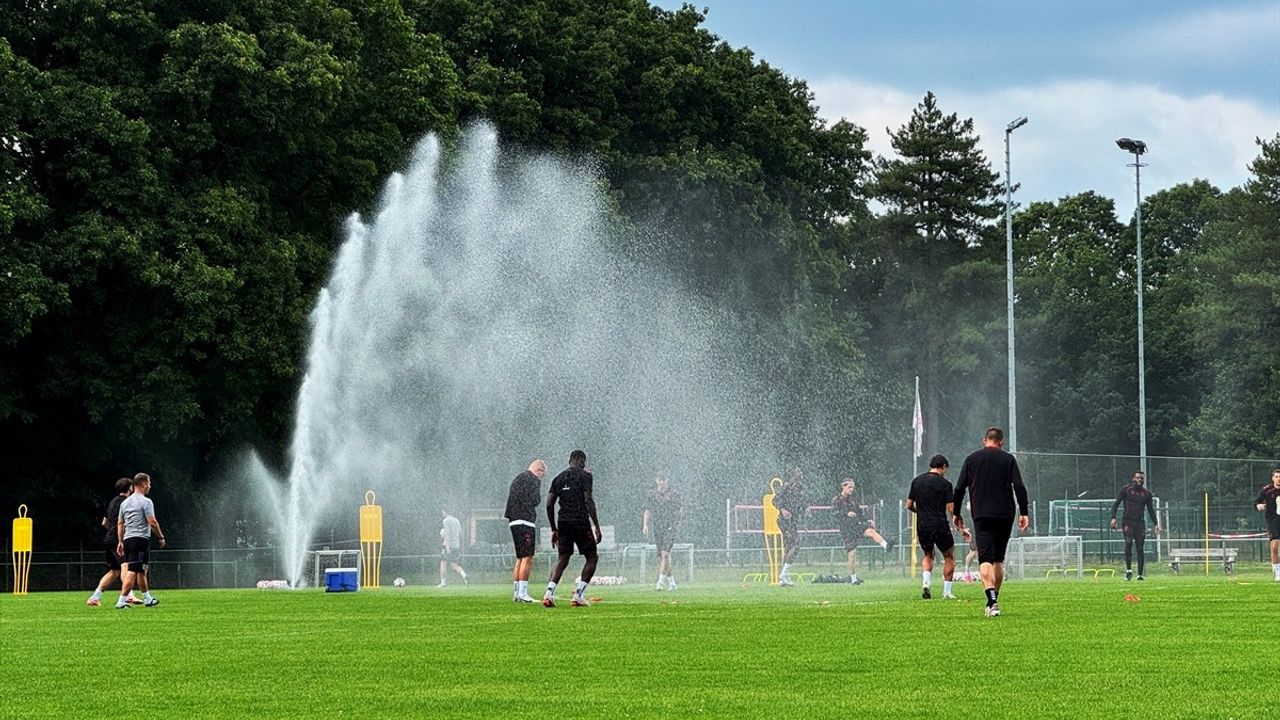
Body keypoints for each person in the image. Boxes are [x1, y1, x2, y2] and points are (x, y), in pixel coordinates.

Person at [952, 427, 1029, 618]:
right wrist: (1024, 512)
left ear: (984, 440)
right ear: (1001, 442)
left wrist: (956, 513)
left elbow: (959, 488)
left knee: (984, 558)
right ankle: (994, 599)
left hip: (982, 514)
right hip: (1005, 514)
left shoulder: (972, 459)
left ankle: (992, 601)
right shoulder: (1008, 459)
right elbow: (1019, 486)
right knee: (998, 560)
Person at [543, 450, 603, 607]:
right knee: (592, 557)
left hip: (563, 522)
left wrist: (553, 528)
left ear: (570, 461)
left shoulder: (559, 478)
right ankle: (578, 595)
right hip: (580, 521)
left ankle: (548, 594)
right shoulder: (585, 475)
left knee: (562, 558)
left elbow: (549, 504)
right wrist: (596, 525)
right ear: (582, 460)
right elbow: (588, 500)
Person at [907, 455, 958, 600]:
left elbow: (909, 505)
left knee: (928, 555)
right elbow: (950, 508)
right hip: (939, 524)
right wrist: (959, 522)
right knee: (949, 556)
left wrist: (921, 512)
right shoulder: (945, 484)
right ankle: (947, 592)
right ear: (943, 467)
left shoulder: (916, 481)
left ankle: (926, 583)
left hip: (922, 525)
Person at [87, 478, 143, 606]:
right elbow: (122, 522)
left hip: (108, 539)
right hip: (119, 540)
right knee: (126, 566)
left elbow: (104, 522)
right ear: (130, 488)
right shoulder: (127, 502)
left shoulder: (112, 502)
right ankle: (129, 595)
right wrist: (121, 537)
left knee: (114, 571)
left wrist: (112, 531)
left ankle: (94, 598)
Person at [115, 473, 166, 609]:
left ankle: (148, 599)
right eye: (149, 483)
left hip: (128, 539)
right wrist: (160, 537)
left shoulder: (125, 503)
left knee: (142, 570)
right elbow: (152, 522)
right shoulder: (146, 502)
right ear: (143, 483)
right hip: (140, 539)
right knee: (132, 571)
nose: (150, 486)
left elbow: (120, 523)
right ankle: (121, 602)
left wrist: (120, 541)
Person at [832, 477, 893, 585]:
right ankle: (853, 579)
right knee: (852, 553)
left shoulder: (852, 501)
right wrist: (846, 514)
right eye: (849, 487)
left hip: (856, 526)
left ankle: (886, 546)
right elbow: (834, 514)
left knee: (871, 531)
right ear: (843, 487)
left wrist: (867, 520)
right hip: (847, 530)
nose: (851, 489)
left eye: (853, 488)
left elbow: (860, 514)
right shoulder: (836, 500)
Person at [504, 459, 546, 602]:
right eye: (543, 473)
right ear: (538, 470)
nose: (542, 477)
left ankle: (516, 593)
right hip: (525, 520)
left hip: (513, 520)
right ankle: (523, 593)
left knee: (520, 558)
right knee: (528, 557)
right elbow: (535, 500)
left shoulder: (519, 477)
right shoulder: (533, 478)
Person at [1109, 470, 1161, 580]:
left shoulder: (1146, 494)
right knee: (1128, 543)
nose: (1140, 480)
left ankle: (1140, 574)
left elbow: (1151, 510)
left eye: (1141, 478)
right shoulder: (1126, 490)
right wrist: (1113, 518)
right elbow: (1116, 504)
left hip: (1139, 523)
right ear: (1134, 478)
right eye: (1138, 478)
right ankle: (1128, 571)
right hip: (1127, 521)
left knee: (1140, 548)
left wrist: (1156, 524)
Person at [642, 474, 682, 591]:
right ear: (656, 481)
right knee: (662, 557)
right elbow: (647, 510)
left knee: (665, 554)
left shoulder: (674, 495)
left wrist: (677, 525)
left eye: (664, 480)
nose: (662, 482)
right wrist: (645, 525)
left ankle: (660, 582)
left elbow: (678, 511)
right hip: (657, 527)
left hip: (670, 527)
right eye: (660, 480)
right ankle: (672, 583)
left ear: (667, 481)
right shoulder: (652, 495)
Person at [772, 467, 806, 587]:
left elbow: (802, 501)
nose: (801, 473)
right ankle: (784, 573)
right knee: (797, 543)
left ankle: (783, 578)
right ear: (792, 474)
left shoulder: (800, 487)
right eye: (798, 471)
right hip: (784, 520)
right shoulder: (786, 486)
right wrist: (783, 509)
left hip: (793, 520)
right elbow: (775, 500)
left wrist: (806, 509)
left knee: (788, 547)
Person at [1254, 467, 1280, 582]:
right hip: (1273, 520)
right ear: (1273, 478)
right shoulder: (1267, 490)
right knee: (1274, 545)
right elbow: (1256, 502)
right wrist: (1258, 505)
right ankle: (1278, 573)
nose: (1279, 479)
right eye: (1277, 477)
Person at [437, 510, 469, 588]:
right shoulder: (457, 520)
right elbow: (460, 533)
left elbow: (447, 534)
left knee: (443, 563)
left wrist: (447, 547)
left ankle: (443, 582)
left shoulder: (446, 521)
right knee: (453, 564)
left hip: (448, 545)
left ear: (445, 511)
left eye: (442, 511)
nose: (442, 513)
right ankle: (463, 573)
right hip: (456, 546)